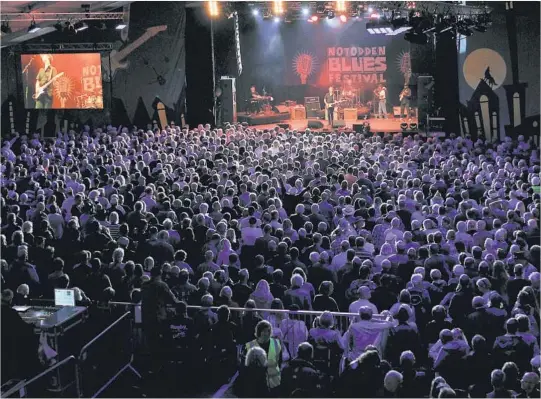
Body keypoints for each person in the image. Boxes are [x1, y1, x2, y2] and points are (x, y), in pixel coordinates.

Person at [244, 320, 283, 394]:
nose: (266, 333)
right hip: (257, 385)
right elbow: (246, 367)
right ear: (259, 332)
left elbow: (279, 361)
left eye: (268, 331)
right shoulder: (249, 346)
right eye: (264, 331)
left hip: (275, 384)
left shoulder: (276, 343)